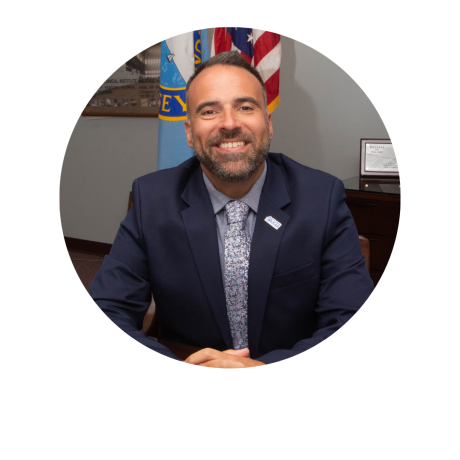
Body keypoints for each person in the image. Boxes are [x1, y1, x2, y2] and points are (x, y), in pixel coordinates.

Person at [90, 51, 374, 368]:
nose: (229, 123)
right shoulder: (153, 199)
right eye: (209, 111)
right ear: (189, 132)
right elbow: (106, 312)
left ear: (268, 123)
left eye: (245, 107)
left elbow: (351, 320)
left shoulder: (320, 197)